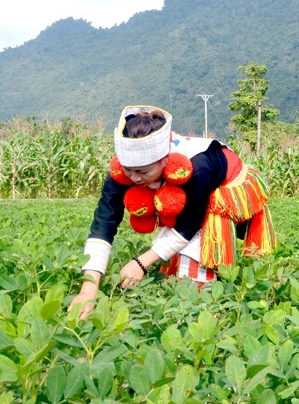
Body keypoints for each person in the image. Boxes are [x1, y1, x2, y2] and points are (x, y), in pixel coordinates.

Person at [68, 105, 276, 319]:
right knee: (171, 251)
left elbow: (188, 226)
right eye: (128, 170)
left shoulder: (197, 167)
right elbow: (104, 223)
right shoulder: (124, 170)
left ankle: (206, 307)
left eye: (143, 172)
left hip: (221, 186)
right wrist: (88, 289)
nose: (134, 178)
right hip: (186, 190)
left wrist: (141, 263)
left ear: (165, 160)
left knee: (193, 260)